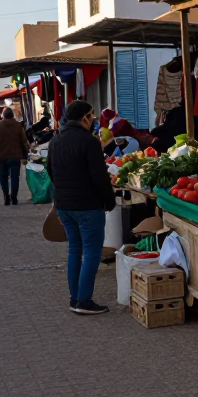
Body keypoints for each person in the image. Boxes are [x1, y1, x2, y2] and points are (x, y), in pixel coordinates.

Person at [46, 100, 115, 315]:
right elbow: (99, 177)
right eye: (92, 115)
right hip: (87, 206)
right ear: (85, 118)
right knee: (92, 253)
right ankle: (84, 300)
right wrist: (109, 201)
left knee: (75, 250)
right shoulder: (89, 142)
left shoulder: (55, 141)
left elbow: (51, 171)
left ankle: (74, 297)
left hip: (64, 206)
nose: (94, 119)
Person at [0, 107, 29, 205]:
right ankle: (14, 197)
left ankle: (6, 196)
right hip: (15, 156)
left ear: (3, 115)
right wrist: (26, 152)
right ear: (12, 115)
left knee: (3, 177)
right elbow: (24, 141)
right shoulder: (18, 126)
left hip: (1, 156)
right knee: (15, 177)